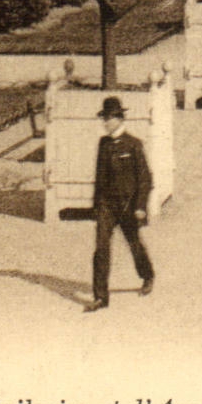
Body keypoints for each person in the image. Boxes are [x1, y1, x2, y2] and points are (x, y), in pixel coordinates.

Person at [85, 97, 154, 313]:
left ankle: (147, 275)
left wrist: (140, 206)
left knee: (134, 244)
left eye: (108, 118)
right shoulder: (103, 144)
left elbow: (145, 179)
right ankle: (100, 297)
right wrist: (96, 206)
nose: (104, 122)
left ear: (118, 118)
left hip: (128, 205)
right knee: (101, 249)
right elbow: (99, 177)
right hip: (107, 205)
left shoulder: (133, 144)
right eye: (103, 118)